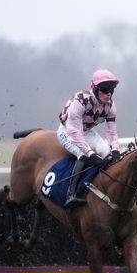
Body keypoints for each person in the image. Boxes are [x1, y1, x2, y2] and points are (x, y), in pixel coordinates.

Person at [57, 69, 121, 208]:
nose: (108, 94)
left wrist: (115, 149)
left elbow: (111, 132)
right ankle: (70, 194)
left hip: (87, 132)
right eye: (105, 90)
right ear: (95, 89)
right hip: (68, 132)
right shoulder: (79, 101)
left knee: (107, 153)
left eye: (111, 90)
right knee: (83, 156)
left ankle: (108, 191)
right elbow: (74, 133)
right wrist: (91, 154)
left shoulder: (110, 105)